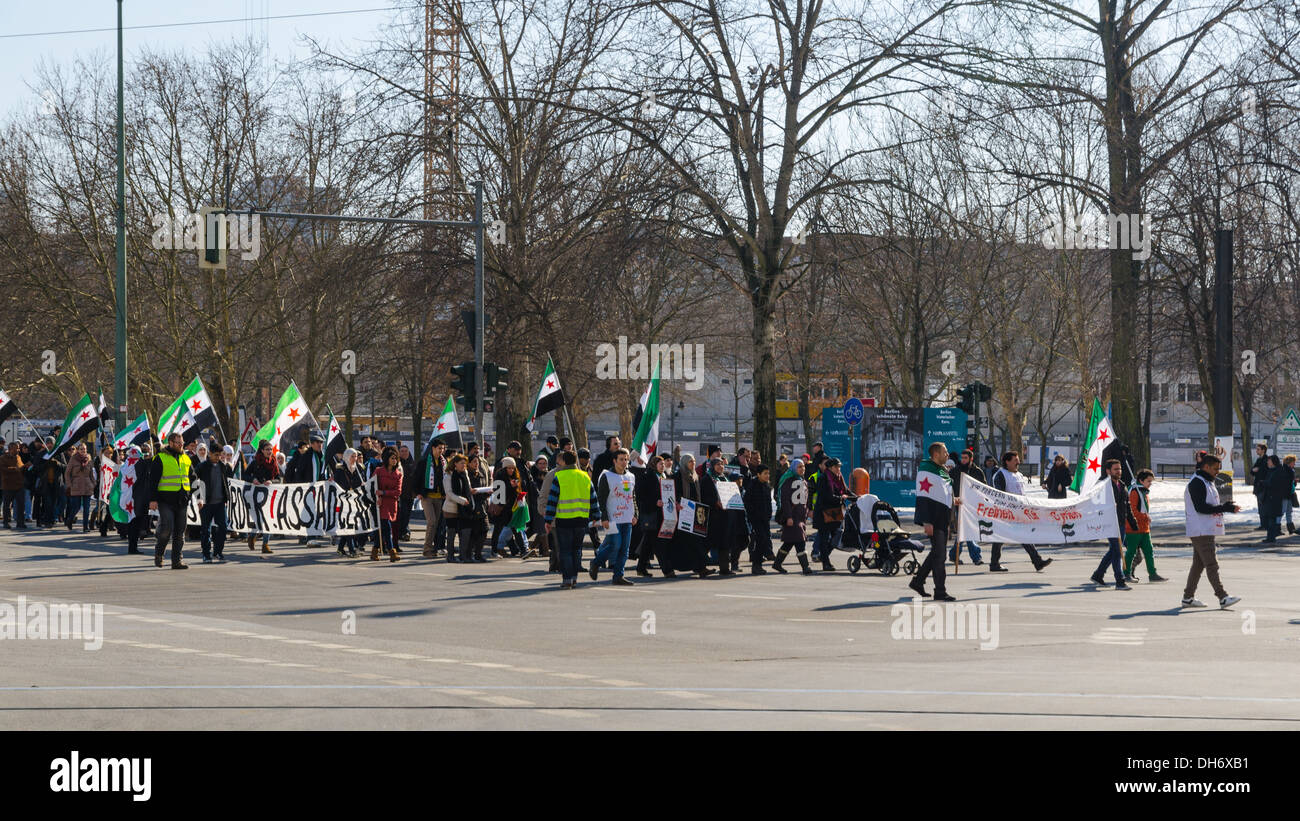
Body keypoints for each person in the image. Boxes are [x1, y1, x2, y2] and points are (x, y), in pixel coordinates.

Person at [1182, 453, 1241, 609]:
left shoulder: (1206, 481)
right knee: (1211, 564)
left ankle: (1188, 597)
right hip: (1201, 529)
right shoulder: (1197, 483)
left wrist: (1225, 506)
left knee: (1198, 565)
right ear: (1206, 467)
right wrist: (1225, 508)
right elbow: (1201, 507)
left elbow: (1209, 504)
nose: (1217, 472)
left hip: (1204, 528)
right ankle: (1222, 597)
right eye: (1215, 469)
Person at [545, 449, 606, 589]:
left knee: (565, 550)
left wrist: (548, 520)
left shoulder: (559, 477)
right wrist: (597, 516)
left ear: (564, 461)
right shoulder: (585, 476)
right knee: (576, 549)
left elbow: (552, 500)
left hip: (564, 519)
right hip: (581, 519)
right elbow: (593, 499)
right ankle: (574, 577)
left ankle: (567, 579)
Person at [989, 451, 1052, 573]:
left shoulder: (1019, 475)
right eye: (1015, 460)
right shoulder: (1000, 475)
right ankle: (995, 563)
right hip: (1006, 512)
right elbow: (1000, 495)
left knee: (1022, 536)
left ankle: (1037, 561)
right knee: (1001, 538)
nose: (1018, 462)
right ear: (1007, 461)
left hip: (1020, 512)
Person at [910, 442, 959, 601]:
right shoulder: (927, 470)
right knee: (940, 556)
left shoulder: (941, 471)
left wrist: (954, 500)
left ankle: (918, 581)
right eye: (945, 452)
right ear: (936, 454)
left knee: (936, 553)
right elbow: (923, 497)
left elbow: (941, 493)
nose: (947, 455)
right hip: (933, 520)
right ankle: (940, 591)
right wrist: (926, 522)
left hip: (942, 518)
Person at [144, 432, 197, 569]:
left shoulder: (186, 458)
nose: (181, 445)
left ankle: (177, 561)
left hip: (182, 500)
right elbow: (153, 481)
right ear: (171, 443)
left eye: (182, 443)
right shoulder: (160, 458)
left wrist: (198, 496)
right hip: (165, 500)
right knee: (167, 529)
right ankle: (159, 553)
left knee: (180, 532)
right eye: (178, 443)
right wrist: (153, 500)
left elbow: (193, 477)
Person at [589, 448, 638, 585]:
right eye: (621, 459)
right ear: (615, 461)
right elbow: (601, 498)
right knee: (614, 545)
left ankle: (618, 576)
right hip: (612, 518)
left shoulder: (630, 477)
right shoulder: (607, 476)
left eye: (626, 459)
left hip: (627, 518)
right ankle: (596, 563)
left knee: (624, 548)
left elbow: (632, 497)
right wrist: (603, 517)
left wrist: (635, 514)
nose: (624, 462)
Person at [1089, 459, 1136, 589]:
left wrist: (1133, 522)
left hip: (1121, 523)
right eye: (1116, 469)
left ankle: (1098, 575)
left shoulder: (1122, 485)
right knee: (1117, 551)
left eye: (1120, 469)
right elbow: (1097, 505)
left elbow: (1127, 506)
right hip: (1109, 524)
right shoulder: (1104, 487)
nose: (1119, 471)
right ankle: (1120, 581)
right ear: (1108, 471)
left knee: (1113, 551)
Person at [631, 452, 674, 577]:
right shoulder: (648, 475)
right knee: (658, 542)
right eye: (660, 464)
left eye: (663, 464)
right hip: (651, 513)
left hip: (663, 513)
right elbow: (641, 495)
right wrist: (655, 502)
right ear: (654, 465)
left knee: (648, 543)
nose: (662, 466)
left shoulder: (664, 476)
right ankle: (667, 570)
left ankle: (641, 568)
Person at [672, 453, 713, 578]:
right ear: (684, 463)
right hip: (683, 513)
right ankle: (702, 567)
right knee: (693, 541)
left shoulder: (696, 476)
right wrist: (678, 503)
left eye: (694, 461)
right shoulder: (678, 476)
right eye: (690, 461)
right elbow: (674, 493)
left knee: (697, 540)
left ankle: (700, 567)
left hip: (696, 513)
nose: (693, 463)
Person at [1123, 468, 1165, 583]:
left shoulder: (1144, 492)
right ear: (1141, 481)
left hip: (1144, 528)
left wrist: (1145, 518)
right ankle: (1125, 573)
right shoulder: (1135, 491)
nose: (1150, 484)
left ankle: (1152, 574)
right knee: (1131, 552)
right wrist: (1144, 517)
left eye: (1151, 481)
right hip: (1133, 528)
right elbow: (1132, 511)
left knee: (1149, 551)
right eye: (1148, 481)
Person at [194, 444, 233, 563]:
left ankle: (217, 552)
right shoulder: (202, 466)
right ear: (210, 454)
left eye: (220, 455)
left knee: (223, 527)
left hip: (220, 503)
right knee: (206, 529)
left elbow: (227, 481)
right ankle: (206, 554)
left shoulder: (223, 466)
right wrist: (199, 498)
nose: (218, 457)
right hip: (206, 503)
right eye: (216, 455)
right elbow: (194, 482)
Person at [810, 458, 850, 571]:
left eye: (840, 466)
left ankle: (823, 556)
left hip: (834, 512)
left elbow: (845, 490)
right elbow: (826, 496)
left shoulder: (839, 477)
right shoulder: (823, 478)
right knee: (823, 537)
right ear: (831, 468)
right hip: (823, 512)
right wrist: (840, 498)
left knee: (837, 535)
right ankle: (826, 563)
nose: (839, 469)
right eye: (837, 467)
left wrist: (856, 497)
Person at [773, 459, 811, 574]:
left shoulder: (803, 481)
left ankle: (777, 564)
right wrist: (788, 517)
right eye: (799, 467)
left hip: (800, 518)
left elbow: (805, 500)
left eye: (803, 466)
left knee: (789, 542)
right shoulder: (788, 481)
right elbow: (785, 500)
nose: (802, 469)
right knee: (800, 541)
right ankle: (806, 567)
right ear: (794, 468)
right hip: (792, 517)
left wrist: (808, 512)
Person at [948, 448, 984, 566]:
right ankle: (976, 556)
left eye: (965, 458)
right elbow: (948, 486)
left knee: (964, 531)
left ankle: (954, 555)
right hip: (959, 505)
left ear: (971, 459)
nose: (963, 460)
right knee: (966, 530)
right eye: (962, 458)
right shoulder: (955, 471)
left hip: (973, 506)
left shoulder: (977, 471)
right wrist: (954, 499)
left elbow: (983, 488)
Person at [245, 440, 279, 554]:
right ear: (262, 451)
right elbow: (245, 474)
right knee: (260, 519)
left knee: (268, 518)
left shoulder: (274, 463)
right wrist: (253, 479)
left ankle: (265, 544)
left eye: (271, 449)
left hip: (269, 495)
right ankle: (253, 535)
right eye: (267, 449)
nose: (269, 451)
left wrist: (271, 481)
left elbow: (279, 478)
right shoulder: (256, 462)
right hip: (256, 495)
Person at [371, 446, 403, 562]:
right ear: (386, 459)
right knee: (385, 527)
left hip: (390, 504)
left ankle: (375, 550)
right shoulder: (379, 471)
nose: (394, 460)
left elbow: (398, 491)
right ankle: (391, 552)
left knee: (383, 528)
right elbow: (372, 485)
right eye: (392, 458)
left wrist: (384, 492)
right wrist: (378, 496)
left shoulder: (398, 474)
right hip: (380, 503)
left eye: (396, 458)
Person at [334, 448, 366, 557]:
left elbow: (363, 480)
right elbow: (336, 483)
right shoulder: (340, 468)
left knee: (352, 523)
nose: (354, 459)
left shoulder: (360, 468)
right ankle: (352, 549)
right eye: (352, 456)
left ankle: (340, 548)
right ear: (347, 457)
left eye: (356, 456)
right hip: (344, 499)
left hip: (356, 499)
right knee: (348, 524)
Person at [419, 438, 448, 558]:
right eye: (439, 448)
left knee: (436, 523)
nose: (441, 451)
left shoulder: (444, 462)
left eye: (443, 448)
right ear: (433, 448)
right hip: (427, 497)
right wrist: (419, 492)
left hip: (439, 497)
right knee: (431, 522)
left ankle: (434, 548)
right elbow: (417, 477)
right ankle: (427, 549)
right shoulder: (425, 461)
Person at [744, 463, 774, 574]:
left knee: (764, 540)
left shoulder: (766, 485)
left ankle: (758, 564)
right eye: (765, 474)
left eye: (768, 473)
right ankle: (756, 565)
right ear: (758, 474)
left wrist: (769, 514)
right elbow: (747, 501)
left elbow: (769, 502)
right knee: (761, 540)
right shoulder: (753, 485)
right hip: (756, 519)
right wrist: (753, 514)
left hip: (765, 518)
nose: (767, 476)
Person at [443, 454, 472, 563]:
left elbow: (468, 489)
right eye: (461, 463)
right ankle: (450, 556)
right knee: (451, 533)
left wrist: (472, 492)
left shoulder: (465, 474)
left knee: (465, 532)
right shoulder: (448, 476)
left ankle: (463, 555)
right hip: (451, 509)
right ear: (455, 464)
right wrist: (462, 500)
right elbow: (449, 494)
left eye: (465, 463)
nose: (464, 465)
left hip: (464, 509)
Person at [64, 443, 95, 531]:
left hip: (87, 486)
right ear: (78, 450)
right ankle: (70, 520)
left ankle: (85, 526)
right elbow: (67, 473)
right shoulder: (73, 459)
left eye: (84, 449)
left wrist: (93, 484)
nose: (83, 451)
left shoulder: (88, 459)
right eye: (81, 449)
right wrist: (69, 484)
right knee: (76, 507)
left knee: (87, 508)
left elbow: (91, 474)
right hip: (76, 485)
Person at [1261, 454, 1291, 544]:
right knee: (1269, 518)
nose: (1267, 462)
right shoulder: (1272, 470)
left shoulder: (1278, 471)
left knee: (1272, 518)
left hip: (1274, 499)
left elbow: (1274, 483)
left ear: (1273, 462)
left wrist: (1264, 483)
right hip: (1269, 498)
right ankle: (1270, 537)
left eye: (1269, 461)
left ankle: (1271, 537)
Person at [1, 441, 26, 529]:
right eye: (16, 448)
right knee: (7, 506)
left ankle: (20, 523)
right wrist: (14, 469)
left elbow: (21, 467)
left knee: (21, 504)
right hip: (8, 485)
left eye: (18, 448)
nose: (18, 450)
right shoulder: (3, 458)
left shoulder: (18, 457)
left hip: (19, 485)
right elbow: (2, 469)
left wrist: (26, 467)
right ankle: (6, 522)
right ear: (10, 449)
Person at [1250, 442, 1269, 530]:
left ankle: (1265, 525)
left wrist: (1257, 469)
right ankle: (1263, 524)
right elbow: (1252, 471)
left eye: (1258, 449)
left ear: (1263, 450)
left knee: (1264, 506)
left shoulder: (1267, 459)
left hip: (1263, 486)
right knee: (1260, 506)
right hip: (1258, 485)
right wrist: (1254, 470)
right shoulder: (1258, 460)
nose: (1256, 450)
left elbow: (1264, 471)